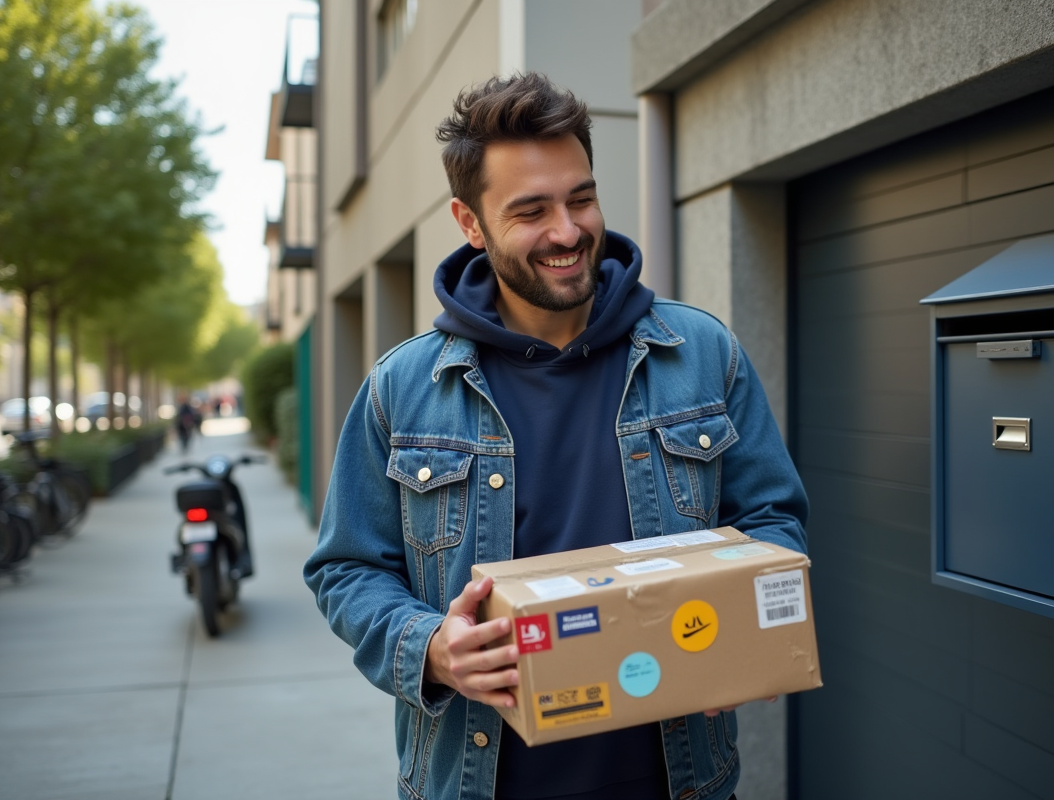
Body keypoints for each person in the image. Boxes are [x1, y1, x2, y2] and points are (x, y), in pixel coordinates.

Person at [304, 73, 808, 800]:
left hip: (680, 780)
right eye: (531, 211)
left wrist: (748, 628)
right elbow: (345, 569)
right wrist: (433, 649)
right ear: (470, 223)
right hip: (477, 780)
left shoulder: (702, 353)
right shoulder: (402, 388)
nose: (568, 232)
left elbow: (772, 521)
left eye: (581, 198)